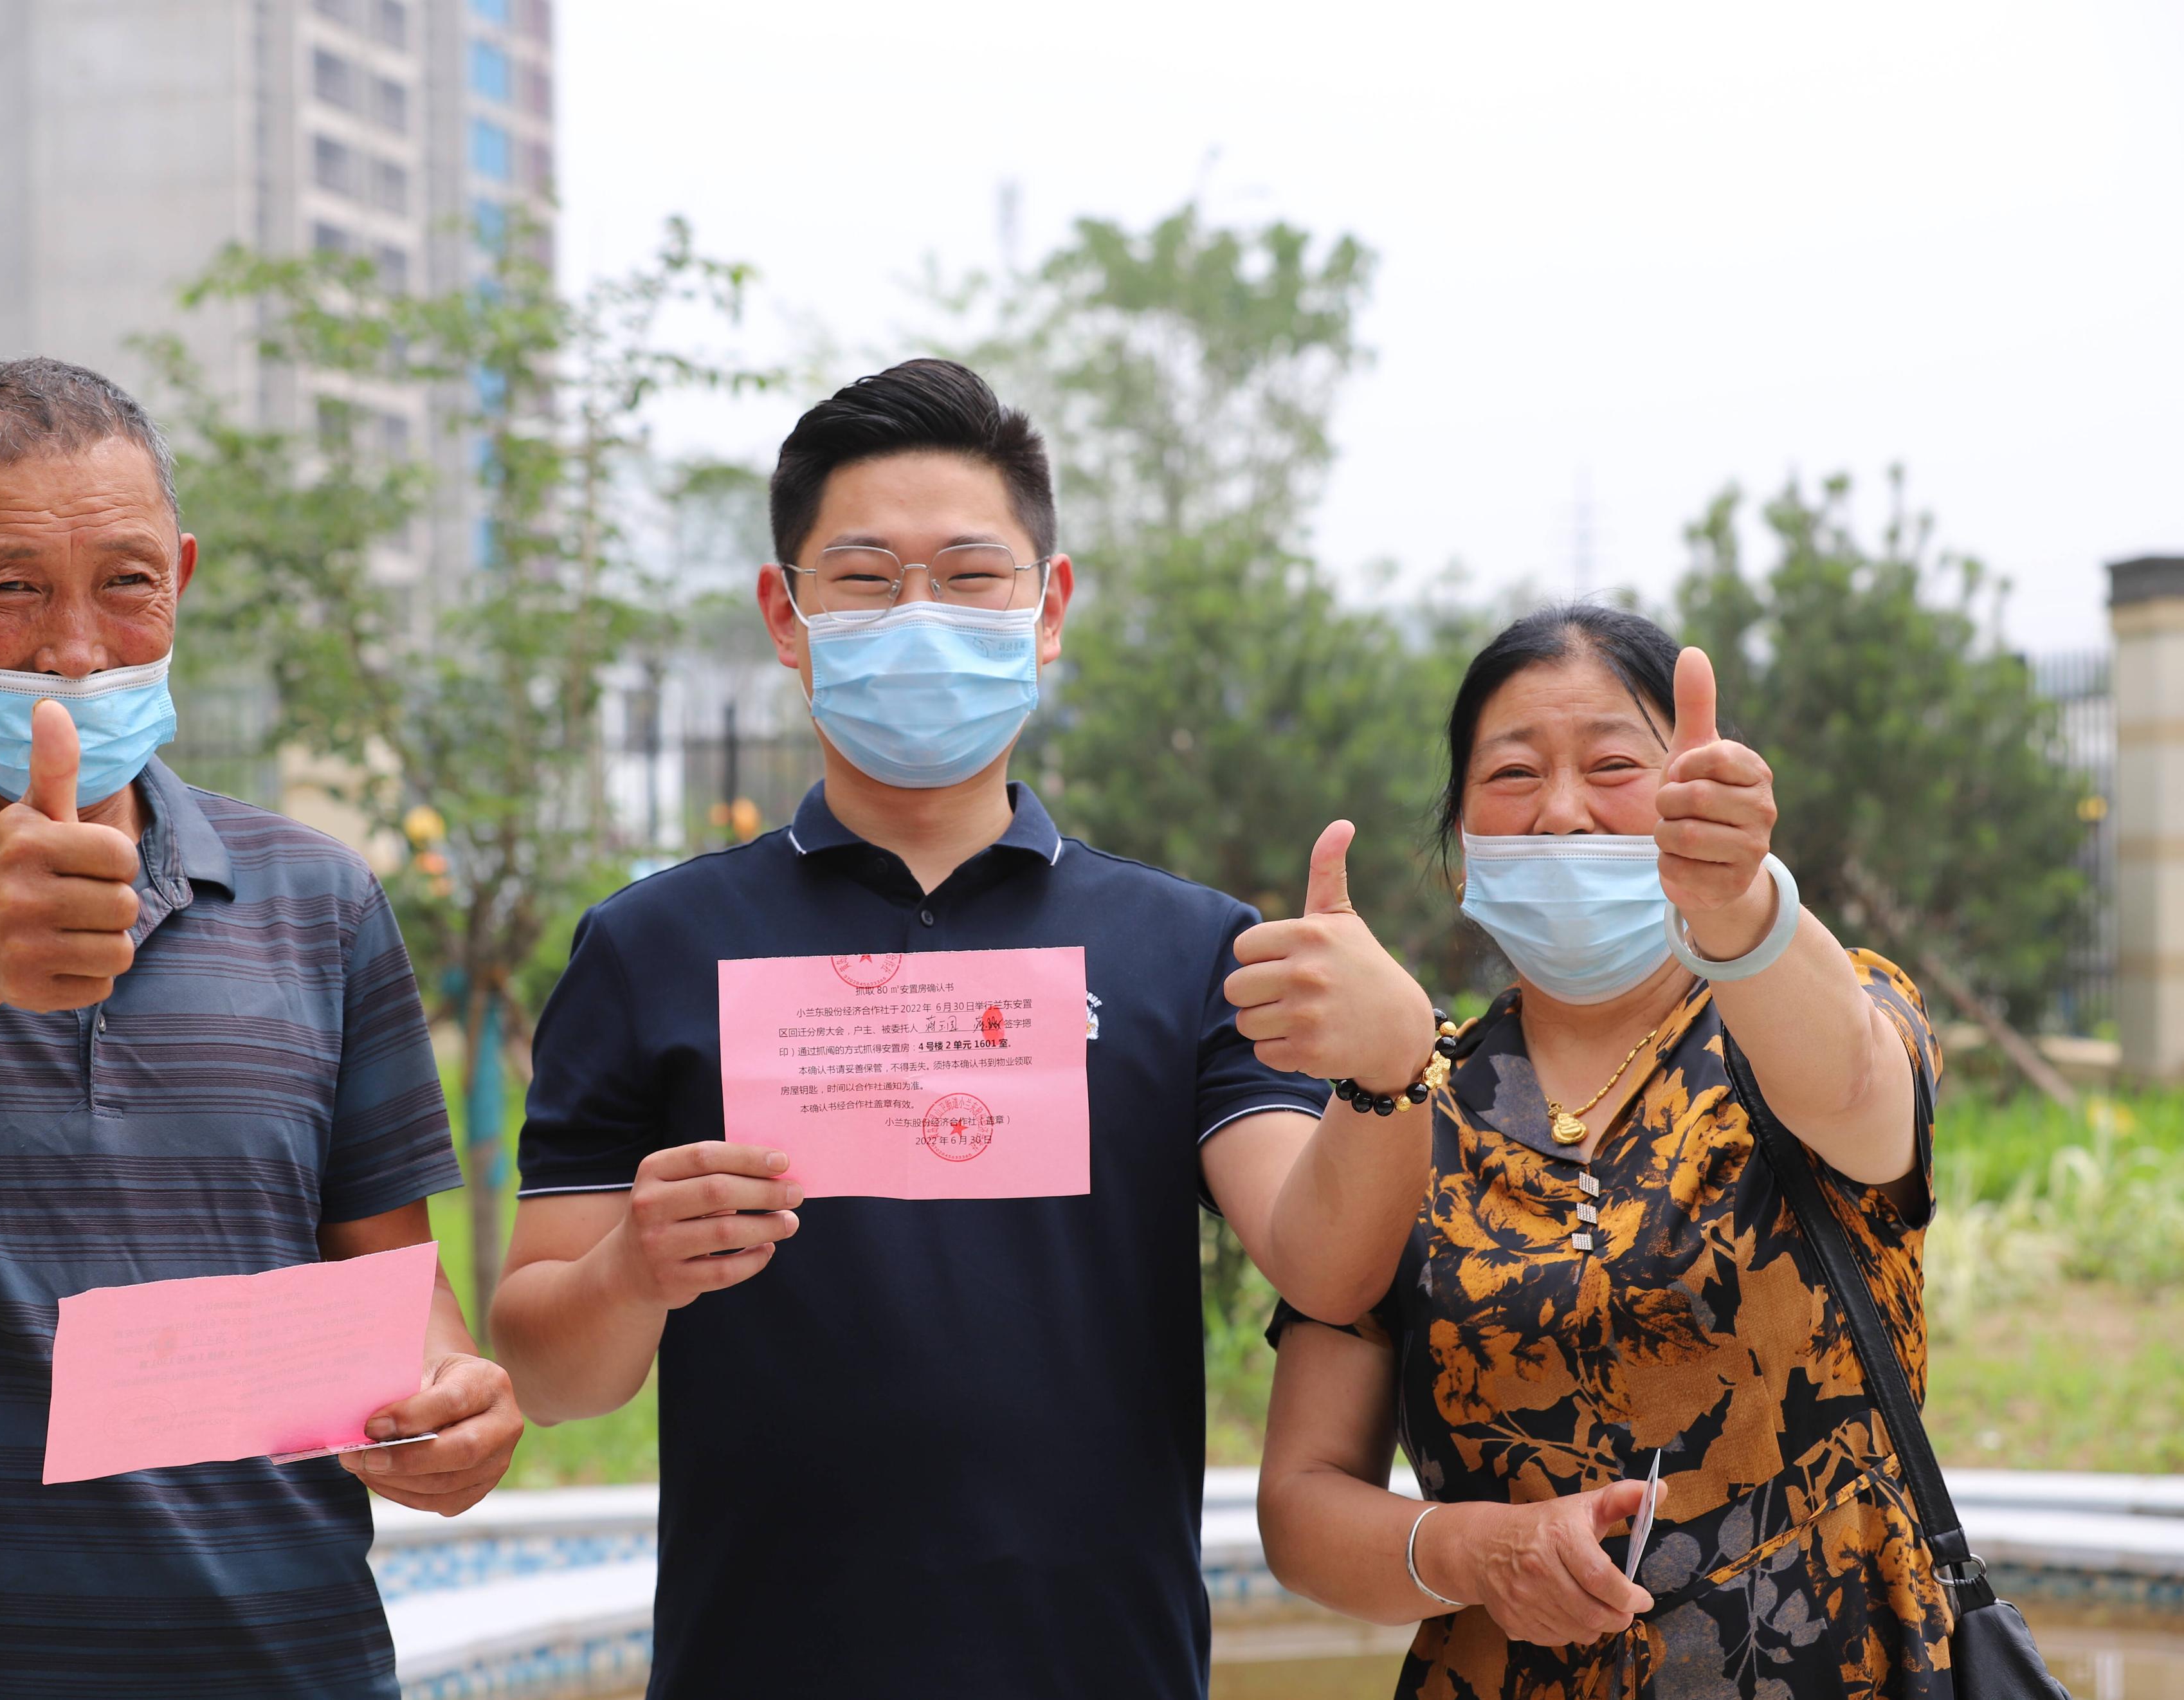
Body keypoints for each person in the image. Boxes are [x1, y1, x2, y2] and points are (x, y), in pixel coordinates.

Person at [489, 358, 1441, 1700]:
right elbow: (545, 1369)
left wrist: (1392, 1068)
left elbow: (1324, 1261)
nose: (917, 614)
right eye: (866, 577)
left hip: (1099, 1663)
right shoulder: (653, 944)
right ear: (786, 612)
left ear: (1048, 608)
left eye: (971, 574)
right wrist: (631, 1272)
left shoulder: (1189, 949)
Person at [0, 358, 522, 1699]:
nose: (77, 647)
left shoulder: (321, 895)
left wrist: (453, 1397)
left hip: (288, 1664)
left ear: (181, 574)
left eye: (126, 583)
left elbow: (393, 1281)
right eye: (13, 588)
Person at [1255, 604, 1952, 1697]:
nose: (1564, 814)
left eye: (1615, 765)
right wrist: (1474, 1551)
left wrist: (1739, 904)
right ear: (1457, 854)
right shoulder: (1405, 1101)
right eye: (1513, 777)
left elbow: (1862, 1098)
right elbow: (1300, 1504)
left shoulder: (1811, 1017)